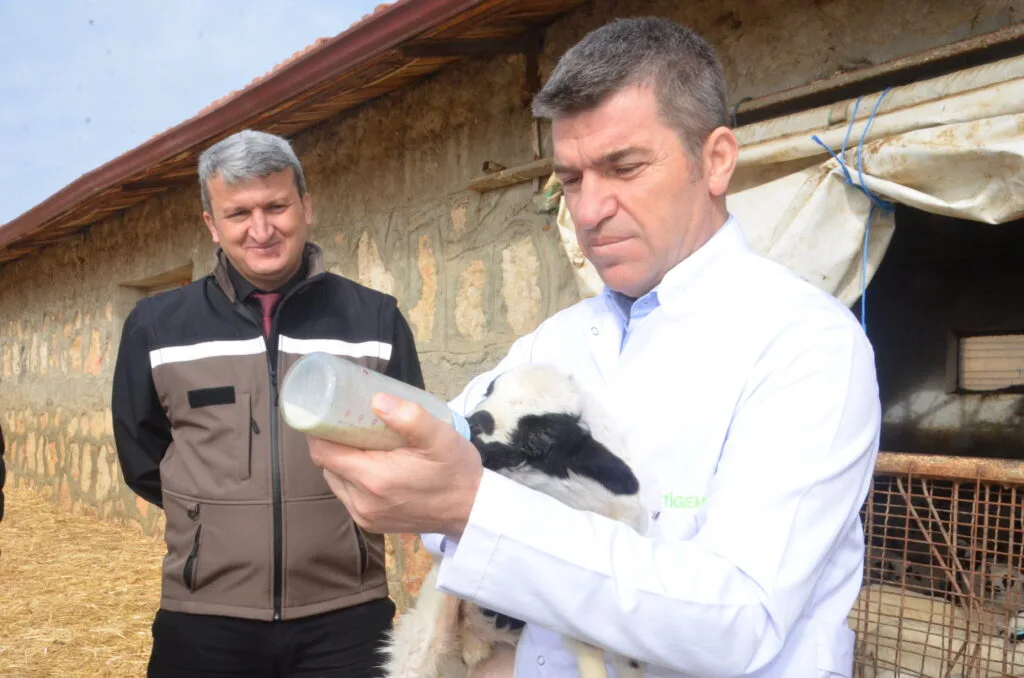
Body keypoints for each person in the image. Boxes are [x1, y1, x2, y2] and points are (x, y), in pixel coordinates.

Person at [307, 16, 881, 678]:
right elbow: (445, 485)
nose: (589, 209)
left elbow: (739, 620)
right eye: (572, 178)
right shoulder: (556, 341)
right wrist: (445, 502)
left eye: (624, 167)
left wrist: (475, 509)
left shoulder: (806, 345)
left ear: (716, 159)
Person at [111, 129, 425, 677]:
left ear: (306, 205)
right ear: (212, 223)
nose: (261, 229)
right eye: (238, 214)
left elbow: (407, 442)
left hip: (346, 616)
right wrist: (213, 521)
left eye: (276, 205)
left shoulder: (374, 320)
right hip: (204, 617)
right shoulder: (157, 327)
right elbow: (143, 456)